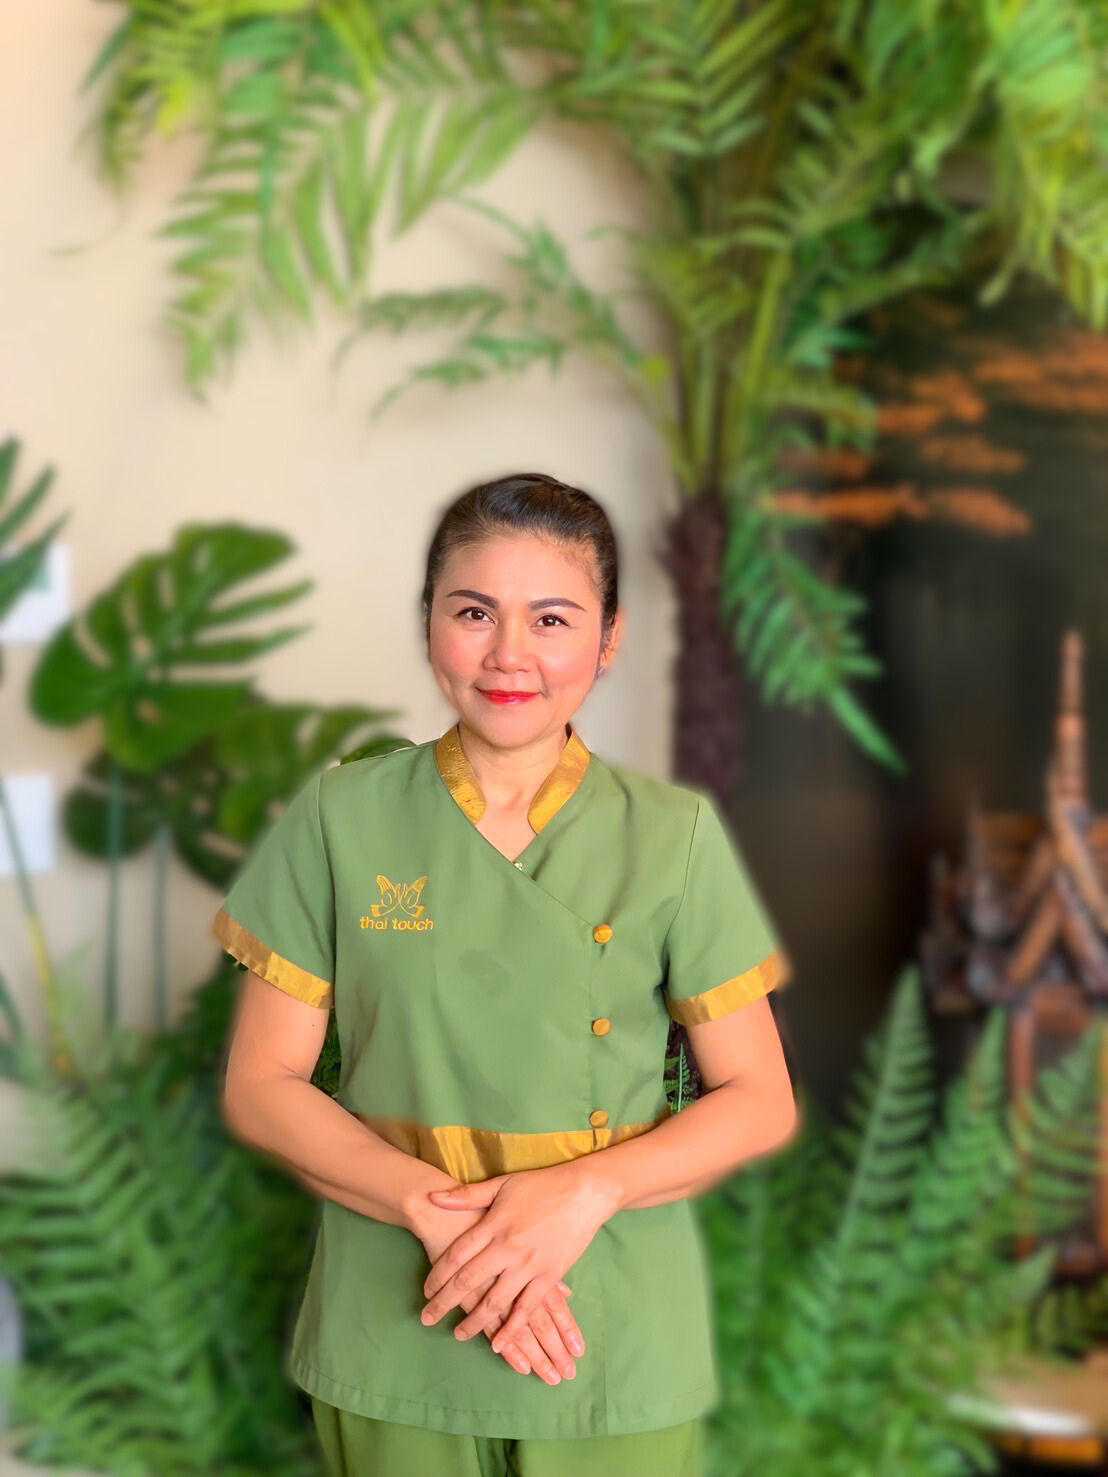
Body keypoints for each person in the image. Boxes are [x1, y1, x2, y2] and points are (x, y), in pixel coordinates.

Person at [212, 472, 797, 1477]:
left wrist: (579, 1198)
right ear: (429, 623)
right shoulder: (340, 819)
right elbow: (261, 1086)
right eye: (473, 612)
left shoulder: (672, 836)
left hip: (605, 1319)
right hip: (395, 1310)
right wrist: (449, 1227)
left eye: (553, 618)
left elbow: (758, 1100)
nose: (508, 654)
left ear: (608, 638)